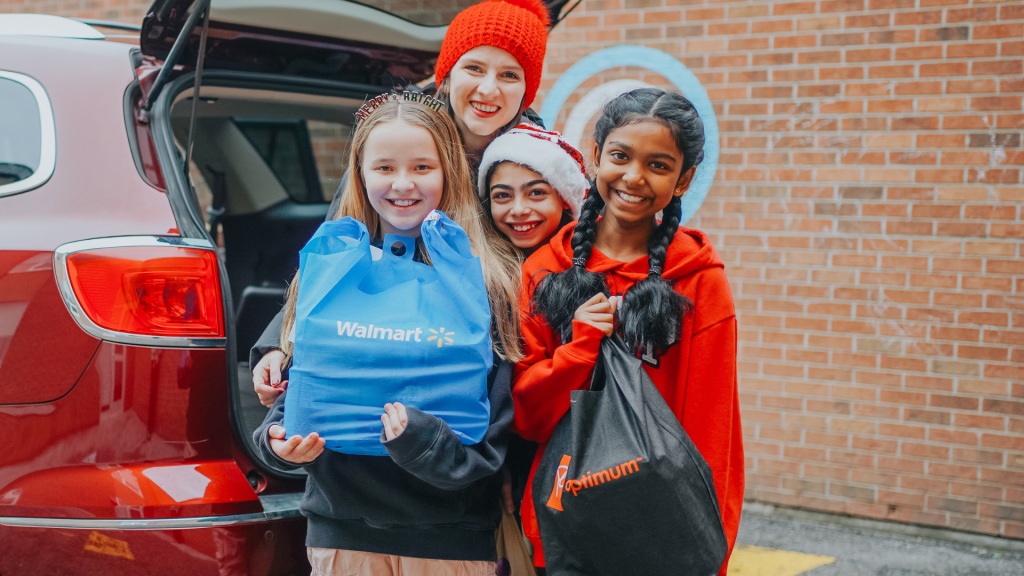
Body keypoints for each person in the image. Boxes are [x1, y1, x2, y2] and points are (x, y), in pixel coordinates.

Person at [256, 93, 518, 576]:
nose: (402, 183)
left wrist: (420, 441)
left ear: (449, 173)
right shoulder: (332, 270)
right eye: (384, 168)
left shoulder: (485, 281)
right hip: (342, 534)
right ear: (359, 175)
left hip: (448, 542)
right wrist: (276, 441)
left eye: (422, 167)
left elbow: (489, 446)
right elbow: (303, 392)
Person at [253, 0, 552, 405]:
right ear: (447, 74)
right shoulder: (397, 137)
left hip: (489, 367)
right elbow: (334, 253)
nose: (488, 88)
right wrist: (279, 344)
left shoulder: (542, 164)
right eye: (474, 68)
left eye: (509, 74)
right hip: (389, 345)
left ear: (527, 89)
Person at [512, 88, 745, 575]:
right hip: (565, 525)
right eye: (621, 156)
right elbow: (527, 416)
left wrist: (711, 549)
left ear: (684, 180)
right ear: (597, 155)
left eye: (658, 165)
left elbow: (712, 431)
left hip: (658, 532)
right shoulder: (544, 269)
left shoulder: (699, 281)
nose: (634, 177)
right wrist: (579, 350)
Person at [478, 125, 589, 257]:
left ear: (565, 198)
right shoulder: (475, 260)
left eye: (536, 193)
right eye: (502, 195)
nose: (519, 210)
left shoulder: (596, 258)